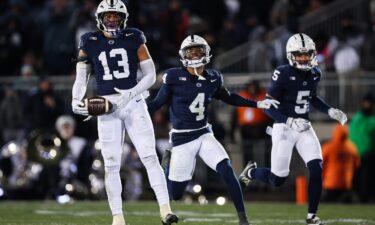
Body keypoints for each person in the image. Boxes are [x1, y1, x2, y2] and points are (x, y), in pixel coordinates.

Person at [148, 34, 279, 225]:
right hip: (181, 139)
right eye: (190, 53)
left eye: (197, 52)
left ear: (206, 53)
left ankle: (243, 219)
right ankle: (167, 165)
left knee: (226, 169)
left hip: (203, 133)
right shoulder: (174, 76)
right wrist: (137, 114)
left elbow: (230, 98)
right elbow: (157, 102)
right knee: (175, 194)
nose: (194, 56)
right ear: (183, 56)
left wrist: (258, 104)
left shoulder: (213, 77)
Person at [70, 1, 178, 225]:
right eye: (108, 16)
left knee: (149, 156)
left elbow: (150, 74)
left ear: (123, 18)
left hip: (133, 101)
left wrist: (132, 92)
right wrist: (75, 99)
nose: (112, 20)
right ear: (100, 18)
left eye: (116, 16)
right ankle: (117, 217)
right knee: (110, 163)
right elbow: (82, 77)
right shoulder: (89, 40)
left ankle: (165, 210)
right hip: (107, 104)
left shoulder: (134, 36)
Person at [239, 33, 348, 225]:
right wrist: (289, 121)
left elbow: (311, 96)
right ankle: (251, 172)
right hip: (283, 127)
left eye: (307, 54)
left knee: (316, 168)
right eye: (300, 54)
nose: (304, 58)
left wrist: (330, 110)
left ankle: (312, 216)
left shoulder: (315, 73)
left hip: (304, 127)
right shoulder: (282, 73)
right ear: (291, 55)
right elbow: (268, 106)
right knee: (277, 179)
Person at [321, 124, 360, 203]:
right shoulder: (352, 147)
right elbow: (357, 165)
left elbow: (320, 163)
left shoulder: (329, 147)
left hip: (330, 183)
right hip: (346, 184)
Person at [349, 93, 375, 202]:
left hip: (368, 154)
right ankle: (361, 197)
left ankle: (365, 197)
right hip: (356, 154)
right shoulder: (358, 118)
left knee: (367, 178)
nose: (366, 105)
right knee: (359, 179)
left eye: (368, 102)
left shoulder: (361, 118)